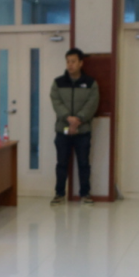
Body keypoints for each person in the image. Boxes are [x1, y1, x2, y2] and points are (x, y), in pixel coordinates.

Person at [50, 48, 100, 205]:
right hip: (62, 130)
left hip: (82, 131)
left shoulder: (90, 83)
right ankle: (59, 194)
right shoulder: (58, 83)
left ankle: (85, 194)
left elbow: (92, 103)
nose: (70, 65)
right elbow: (56, 102)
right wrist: (68, 118)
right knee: (61, 163)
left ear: (80, 63)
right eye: (68, 61)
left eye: (73, 61)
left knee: (83, 163)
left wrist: (78, 119)